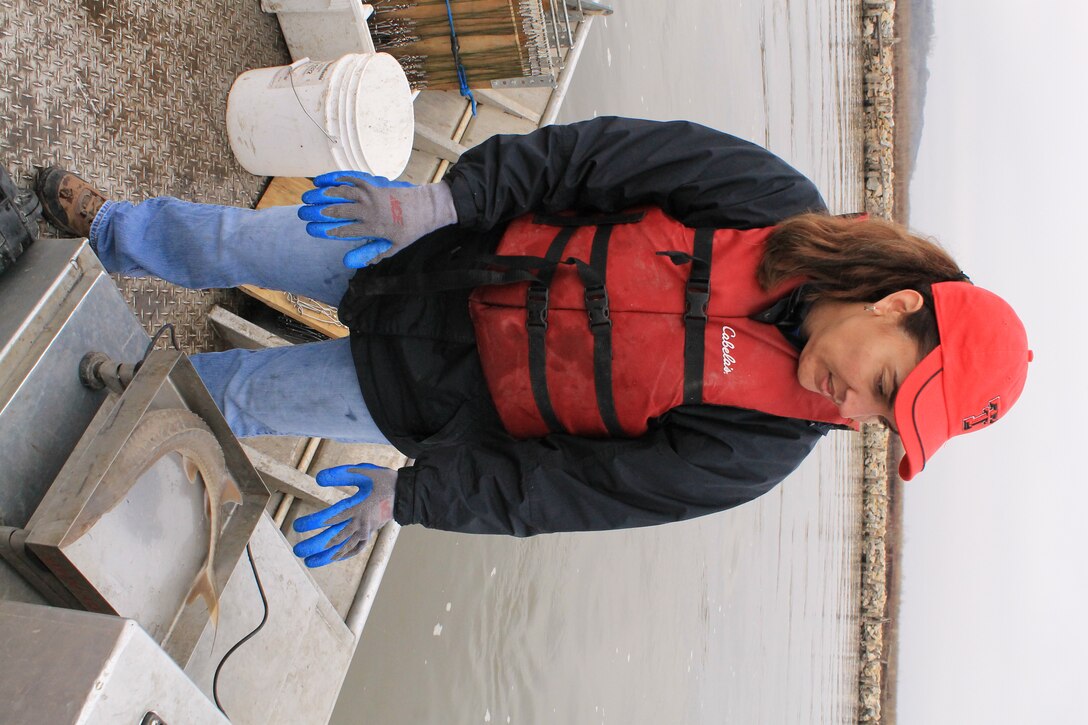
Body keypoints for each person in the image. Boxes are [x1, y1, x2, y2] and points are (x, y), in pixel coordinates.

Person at [34, 116, 1032, 567]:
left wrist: (406, 494)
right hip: (421, 249)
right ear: (898, 302)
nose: (854, 407)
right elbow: (585, 155)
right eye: (883, 381)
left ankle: (72, 409)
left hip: (419, 396)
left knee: (233, 401)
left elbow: (562, 492)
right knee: (224, 239)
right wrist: (442, 197)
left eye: (878, 419)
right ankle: (104, 225)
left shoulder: (756, 448)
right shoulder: (764, 202)